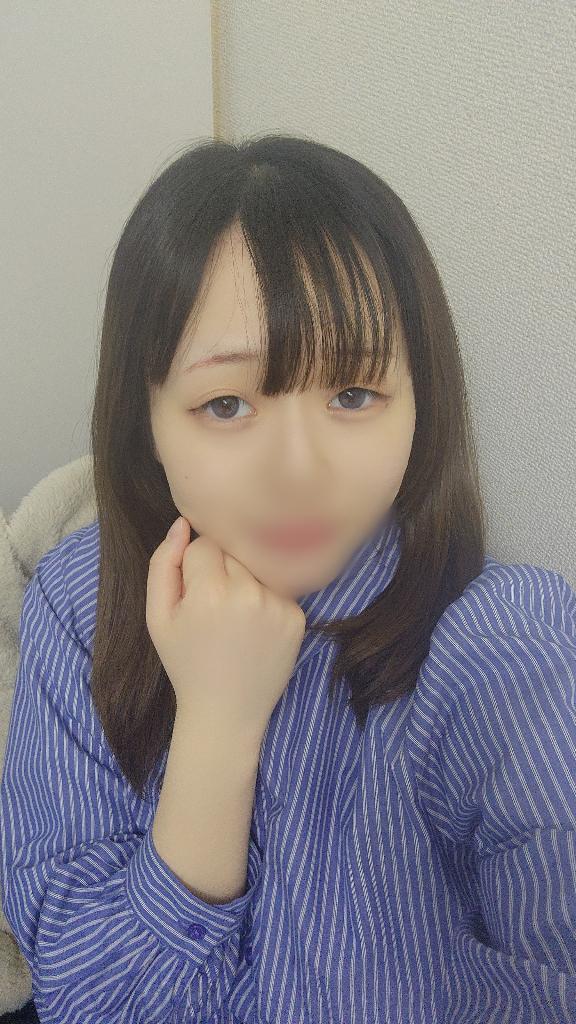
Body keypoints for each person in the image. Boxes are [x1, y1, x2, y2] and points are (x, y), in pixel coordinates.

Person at [1, 133, 575, 1023]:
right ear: (145, 421)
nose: (300, 471)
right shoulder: (84, 600)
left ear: (422, 401)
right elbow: (87, 1000)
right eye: (227, 403)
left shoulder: (508, 648)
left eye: (353, 395)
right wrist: (217, 726)